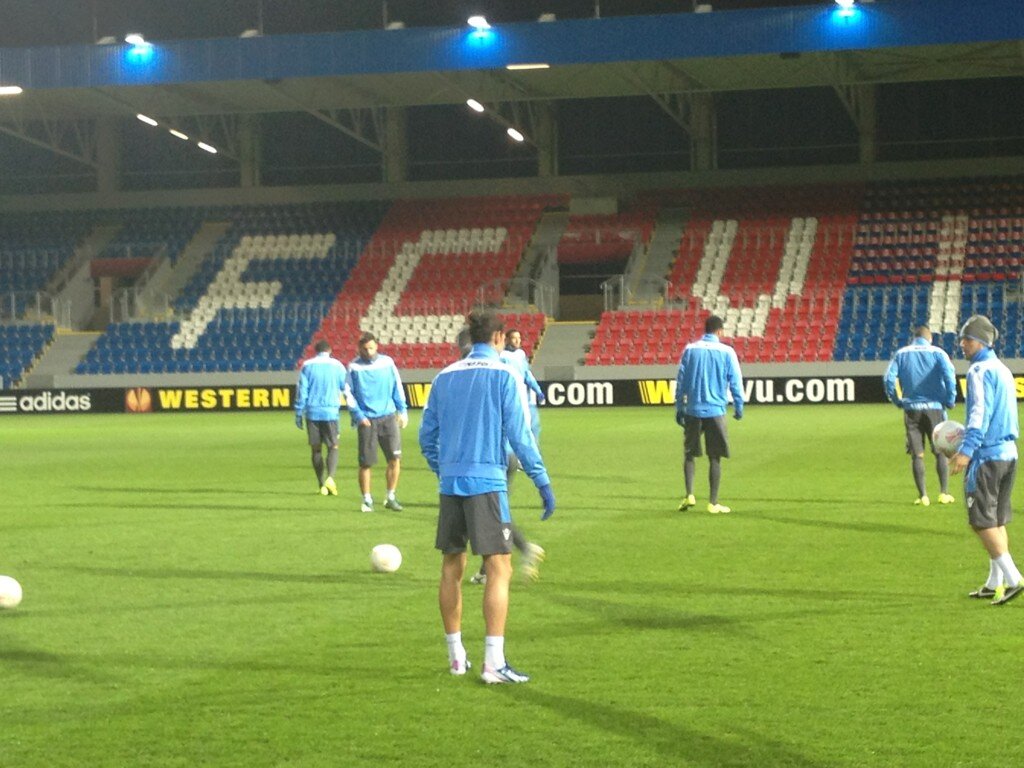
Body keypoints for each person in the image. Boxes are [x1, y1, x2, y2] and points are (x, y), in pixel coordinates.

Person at [419, 310, 556, 684]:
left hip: (451, 483)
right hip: (487, 483)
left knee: (452, 565)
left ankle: (456, 657)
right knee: (500, 567)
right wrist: (542, 481)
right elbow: (520, 436)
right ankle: (493, 663)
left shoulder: (444, 376)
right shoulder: (504, 375)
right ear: (498, 338)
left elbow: (426, 437)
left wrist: (444, 468)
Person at [949, 315, 1023, 606]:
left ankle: (1014, 579)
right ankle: (995, 583)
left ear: (981, 341)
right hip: (1009, 453)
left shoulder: (979, 370)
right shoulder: (1002, 369)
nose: (962, 344)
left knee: (981, 522)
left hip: (987, 456)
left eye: (967, 339)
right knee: (995, 520)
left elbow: (979, 413)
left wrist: (967, 450)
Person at [468, 329, 547, 585]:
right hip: (508, 454)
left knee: (487, 515)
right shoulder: (508, 378)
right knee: (493, 513)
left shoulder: (485, 378)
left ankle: (522, 549)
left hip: (493, 458)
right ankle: (487, 568)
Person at [674, 315, 744, 514]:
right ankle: (713, 503)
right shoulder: (727, 351)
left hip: (693, 410)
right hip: (715, 411)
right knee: (715, 457)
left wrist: (679, 407)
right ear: (719, 331)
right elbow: (735, 381)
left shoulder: (690, 350)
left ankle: (689, 494)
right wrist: (739, 406)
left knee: (689, 454)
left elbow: (681, 381)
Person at [883, 325, 958, 506]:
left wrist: (897, 400)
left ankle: (923, 496)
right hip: (935, 408)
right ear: (929, 338)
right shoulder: (938, 353)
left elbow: (888, 379)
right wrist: (950, 399)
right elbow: (950, 376)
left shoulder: (901, 354)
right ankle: (943, 493)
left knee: (917, 454)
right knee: (940, 451)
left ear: (914, 338)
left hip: (911, 409)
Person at [345, 332, 409, 513]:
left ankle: (390, 497)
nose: (369, 352)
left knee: (395, 459)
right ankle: (367, 500)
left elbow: (397, 386)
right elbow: (348, 393)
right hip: (367, 420)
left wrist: (402, 410)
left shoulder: (387, 363)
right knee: (366, 463)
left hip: (388, 417)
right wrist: (359, 416)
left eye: (371, 348)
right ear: (359, 349)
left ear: (377, 347)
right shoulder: (353, 367)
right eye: (365, 349)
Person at [294, 339, 347, 496]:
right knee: (333, 446)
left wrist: (299, 412)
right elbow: (346, 388)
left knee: (316, 449)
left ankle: (321, 483)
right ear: (330, 350)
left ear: (315, 351)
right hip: (331, 412)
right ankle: (330, 478)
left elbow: (302, 391)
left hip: (312, 412)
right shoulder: (338, 366)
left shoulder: (307, 366)